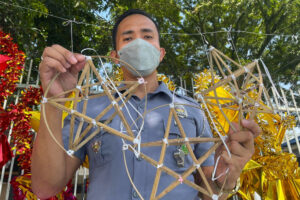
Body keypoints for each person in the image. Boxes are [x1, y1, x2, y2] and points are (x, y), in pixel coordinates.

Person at [31, 9, 261, 200]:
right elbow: (45, 188)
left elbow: (212, 190)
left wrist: (226, 176)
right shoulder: (89, 109)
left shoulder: (192, 111)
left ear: (160, 54)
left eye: (148, 36)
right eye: (128, 38)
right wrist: (53, 100)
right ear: (114, 55)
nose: (139, 43)